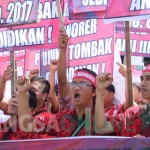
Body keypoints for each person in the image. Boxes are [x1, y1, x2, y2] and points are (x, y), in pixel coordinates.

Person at [95, 64, 150, 137]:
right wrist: (99, 90)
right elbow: (100, 128)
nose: (142, 83)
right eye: (142, 79)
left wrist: (145, 143)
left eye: (148, 78)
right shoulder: (132, 114)